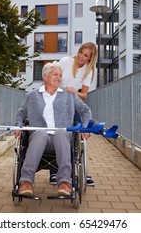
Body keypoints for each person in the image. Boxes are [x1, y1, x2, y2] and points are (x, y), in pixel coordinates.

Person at [14, 61, 92, 196]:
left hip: (62, 139)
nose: (59, 78)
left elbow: (85, 111)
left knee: (61, 132)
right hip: (40, 139)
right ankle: (26, 182)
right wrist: (18, 126)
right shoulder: (33, 95)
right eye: (55, 74)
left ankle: (65, 182)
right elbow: (21, 113)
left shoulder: (69, 95)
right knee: (40, 133)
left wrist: (85, 128)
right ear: (45, 76)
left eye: (60, 75)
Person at [49, 42, 98, 186]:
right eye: (81, 52)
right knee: (56, 131)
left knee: (82, 130)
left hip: (72, 101)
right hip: (56, 100)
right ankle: (54, 171)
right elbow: (52, 77)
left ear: (90, 58)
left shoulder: (89, 71)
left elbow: (84, 95)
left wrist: (74, 91)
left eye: (86, 55)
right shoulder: (65, 61)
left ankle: (80, 169)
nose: (81, 56)